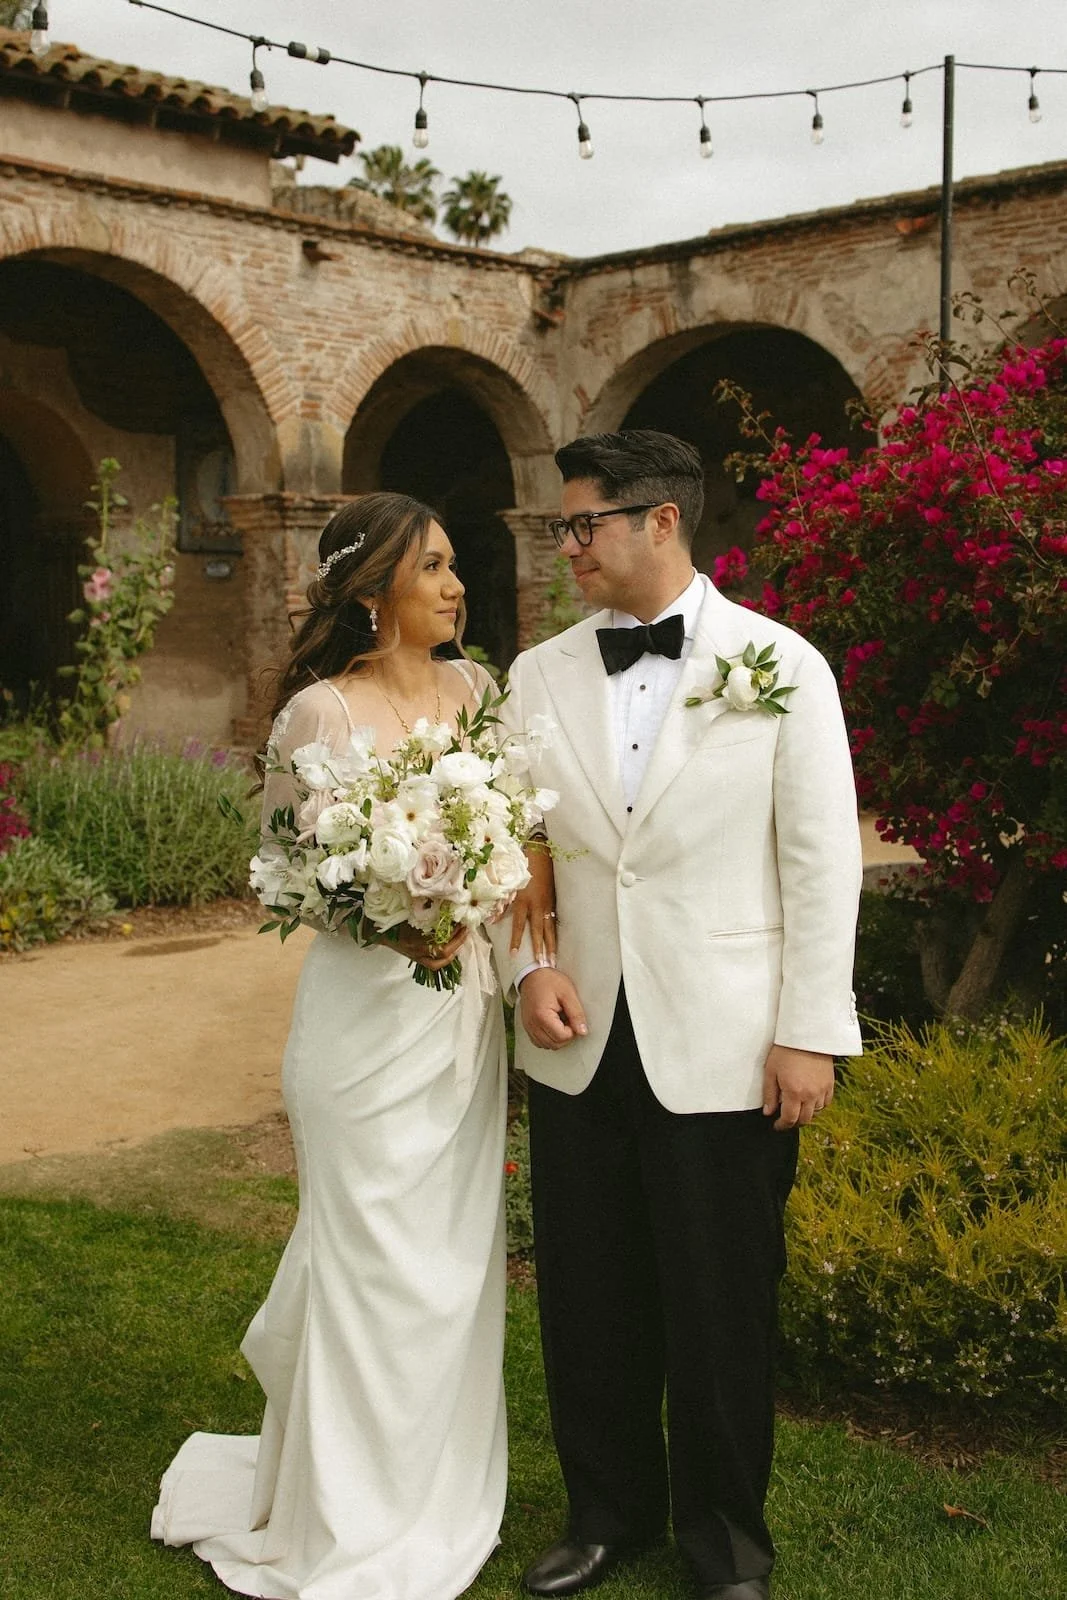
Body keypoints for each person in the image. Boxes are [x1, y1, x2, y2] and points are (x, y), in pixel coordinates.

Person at [152, 492, 546, 1600]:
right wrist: (387, 908)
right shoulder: (318, 715)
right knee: (367, 1257)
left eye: (454, 562)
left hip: (456, 1017)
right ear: (372, 591)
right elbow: (283, 875)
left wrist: (474, 904)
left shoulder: (478, 692)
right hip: (360, 1029)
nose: (456, 585)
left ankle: (431, 1487)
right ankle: (345, 1508)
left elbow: (515, 837)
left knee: (448, 1265)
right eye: (433, 566)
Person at [497, 431, 863, 1600]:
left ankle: (725, 1548)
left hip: (725, 1046)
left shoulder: (783, 665)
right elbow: (509, 851)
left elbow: (819, 863)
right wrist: (523, 969)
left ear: (660, 520)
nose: (567, 547)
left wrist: (807, 1028)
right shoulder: (535, 676)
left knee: (718, 1315)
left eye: (582, 524)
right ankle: (605, 1516)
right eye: (561, 526)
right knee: (589, 1303)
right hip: (578, 1039)